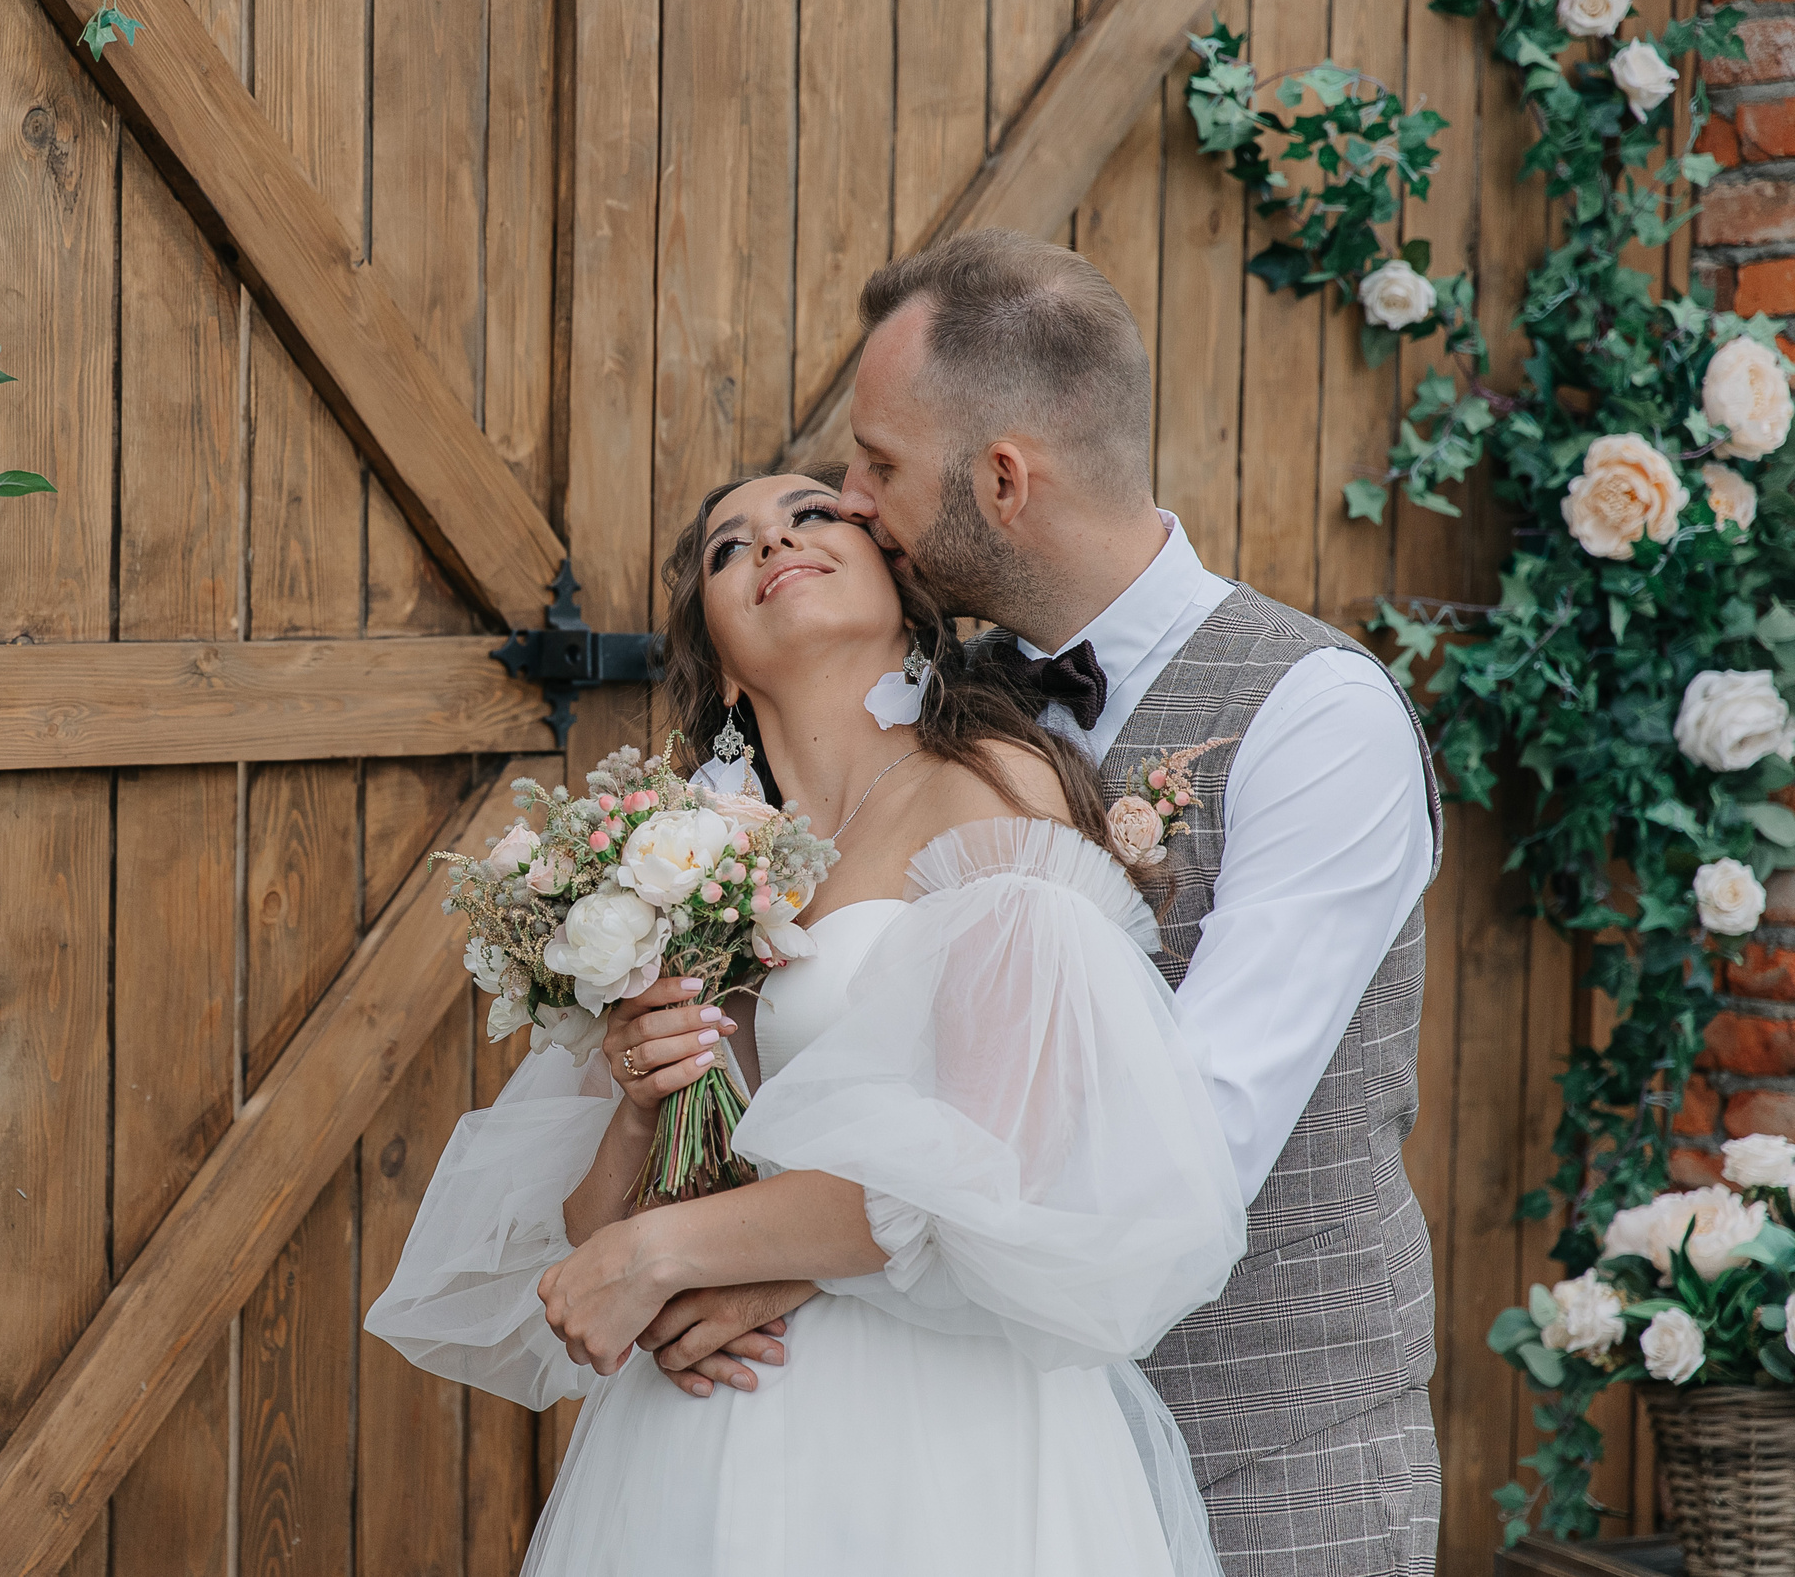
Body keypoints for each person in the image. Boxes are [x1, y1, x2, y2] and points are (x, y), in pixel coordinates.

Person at [364, 468, 1247, 1576]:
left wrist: (666, 1250)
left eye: (813, 513)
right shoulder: (680, 870)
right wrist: (640, 1112)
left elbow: (1009, 1158)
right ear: (723, 663)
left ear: (902, 593)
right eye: (728, 547)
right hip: (708, 1428)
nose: (773, 537)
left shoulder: (989, 787)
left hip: (938, 1431)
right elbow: (595, 1243)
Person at [834, 229, 1443, 1577]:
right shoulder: (922, 713)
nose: (853, 500)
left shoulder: (1317, 713)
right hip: (978, 1460)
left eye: (879, 462)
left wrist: (792, 1258)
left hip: (1262, 1463)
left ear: (1002, 478)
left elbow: (1192, 1140)